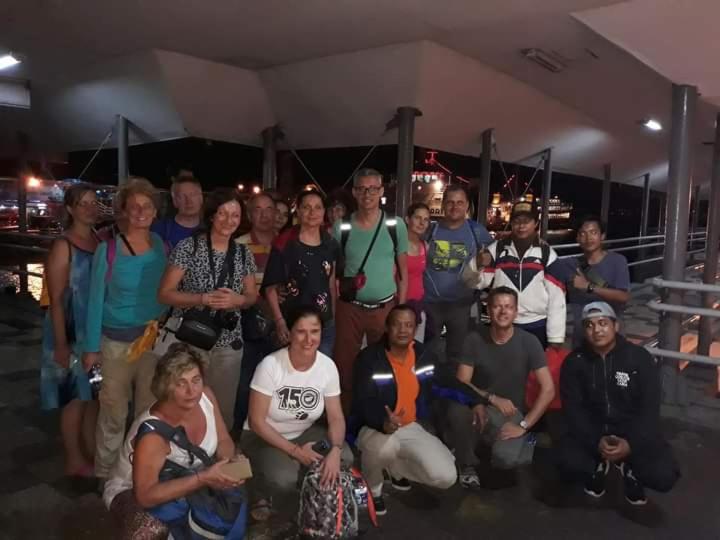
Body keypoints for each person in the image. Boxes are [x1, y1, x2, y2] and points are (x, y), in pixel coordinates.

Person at [351, 304, 486, 515]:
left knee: (445, 476)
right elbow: (362, 401)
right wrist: (382, 422)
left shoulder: (423, 355)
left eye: (409, 325)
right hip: (374, 426)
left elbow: (447, 381)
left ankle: (394, 469)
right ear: (387, 327)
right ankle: (373, 489)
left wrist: (475, 400)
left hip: (410, 426)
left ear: (415, 330)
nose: (403, 330)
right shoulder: (369, 359)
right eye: (397, 325)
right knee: (382, 449)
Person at [103, 343, 242, 540]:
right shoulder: (153, 434)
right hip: (132, 489)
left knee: (233, 497)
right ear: (165, 387)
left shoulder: (206, 397)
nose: (191, 391)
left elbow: (224, 440)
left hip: (190, 476)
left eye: (196, 380)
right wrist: (204, 479)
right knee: (149, 531)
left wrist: (228, 467)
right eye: (180, 383)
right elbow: (145, 495)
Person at [83, 177, 168, 480]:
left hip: (152, 343)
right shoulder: (107, 250)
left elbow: (165, 290)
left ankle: (137, 472)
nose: (141, 212)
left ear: (155, 211)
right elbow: (94, 301)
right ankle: (106, 476)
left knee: (148, 411)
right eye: (134, 207)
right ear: (124, 212)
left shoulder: (161, 245)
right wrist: (91, 349)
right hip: (114, 344)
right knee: (113, 413)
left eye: (147, 206)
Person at [559, 302, 679, 505]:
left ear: (616, 326)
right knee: (565, 462)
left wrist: (631, 444)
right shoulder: (574, 362)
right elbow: (573, 411)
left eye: (603, 323)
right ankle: (599, 465)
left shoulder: (639, 358)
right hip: (594, 432)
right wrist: (595, 441)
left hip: (631, 432)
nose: (597, 330)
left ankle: (630, 468)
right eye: (589, 325)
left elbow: (649, 409)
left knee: (663, 475)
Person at [157, 188, 258, 428]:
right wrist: (202, 299)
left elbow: (252, 296)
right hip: (191, 340)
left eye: (234, 215)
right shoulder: (189, 247)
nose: (228, 220)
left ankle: (218, 457)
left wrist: (238, 301)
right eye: (222, 214)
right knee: (184, 403)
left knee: (221, 409)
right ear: (212, 215)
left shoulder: (243, 253)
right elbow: (164, 294)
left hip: (228, 344)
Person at [445, 286, 555, 489]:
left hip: (512, 413)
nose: (503, 312)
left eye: (508, 307)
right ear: (488, 309)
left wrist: (523, 425)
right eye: (497, 306)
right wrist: (489, 399)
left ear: (516, 311)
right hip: (481, 406)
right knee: (457, 411)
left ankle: (527, 439)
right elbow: (462, 382)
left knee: (506, 459)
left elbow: (548, 389)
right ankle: (467, 464)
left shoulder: (529, 341)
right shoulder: (474, 339)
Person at [244, 306, 351, 509]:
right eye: (301, 331)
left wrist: (335, 449)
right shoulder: (270, 365)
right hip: (263, 436)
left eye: (315, 331)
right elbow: (256, 422)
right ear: (289, 333)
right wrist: (295, 452)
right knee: (283, 478)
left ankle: (314, 498)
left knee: (345, 456)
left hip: (304, 431)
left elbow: (336, 417)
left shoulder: (327, 366)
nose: (308, 339)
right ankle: (259, 485)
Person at [333, 168, 408, 411]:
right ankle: (345, 417)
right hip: (349, 308)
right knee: (344, 365)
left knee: (384, 364)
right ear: (354, 192)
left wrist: (401, 310)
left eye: (373, 188)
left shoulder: (395, 225)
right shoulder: (341, 227)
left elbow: (403, 274)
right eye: (362, 189)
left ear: (382, 191)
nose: (367, 194)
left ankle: (381, 412)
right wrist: (334, 308)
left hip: (384, 308)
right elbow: (332, 274)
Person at [41, 183, 99, 477]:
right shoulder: (64, 245)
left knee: (92, 397)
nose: (90, 208)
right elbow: (56, 298)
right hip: (71, 328)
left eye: (94, 202)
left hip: (93, 329)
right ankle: (73, 459)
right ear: (70, 209)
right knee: (74, 397)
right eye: (83, 203)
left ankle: (90, 451)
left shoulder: (99, 240)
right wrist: (62, 344)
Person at [464, 200, 566, 349]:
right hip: (502, 323)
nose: (521, 225)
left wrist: (555, 338)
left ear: (536, 223)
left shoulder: (547, 254)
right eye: (517, 221)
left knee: (533, 370)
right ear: (511, 223)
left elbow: (557, 300)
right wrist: (477, 263)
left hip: (537, 326)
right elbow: (471, 282)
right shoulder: (496, 249)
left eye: (527, 221)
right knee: (502, 369)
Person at [263, 190, 340, 356]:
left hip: (323, 325)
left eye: (318, 208)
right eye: (306, 207)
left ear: (324, 212)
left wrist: (332, 317)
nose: (312, 213)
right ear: (297, 211)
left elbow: (331, 283)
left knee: (319, 375)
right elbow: (270, 288)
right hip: (293, 324)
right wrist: (280, 322)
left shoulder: (330, 244)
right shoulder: (285, 243)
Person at [424, 185, 492, 363]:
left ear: (467, 206)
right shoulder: (430, 230)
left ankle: (454, 389)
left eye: (460, 203)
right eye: (450, 202)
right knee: (428, 353)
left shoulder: (478, 232)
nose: (455, 207)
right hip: (430, 305)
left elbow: (498, 254)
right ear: (443, 205)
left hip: (462, 306)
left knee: (459, 356)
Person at [233, 192, 277, 432]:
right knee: (244, 383)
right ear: (250, 215)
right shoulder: (238, 245)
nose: (264, 215)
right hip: (246, 325)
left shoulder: (285, 243)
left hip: (278, 324)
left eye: (269, 209)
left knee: (275, 383)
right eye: (257, 210)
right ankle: (238, 434)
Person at [564, 216, 630, 347]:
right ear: (577, 238)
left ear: (602, 236)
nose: (588, 238)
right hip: (582, 337)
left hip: (612, 335)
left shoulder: (617, 261)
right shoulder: (571, 264)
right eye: (583, 233)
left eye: (593, 232)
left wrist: (589, 287)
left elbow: (624, 297)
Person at [151, 168, 203, 248]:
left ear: (201, 198)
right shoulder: (159, 229)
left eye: (193, 195)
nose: (188, 201)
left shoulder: (212, 230)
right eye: (182, 196)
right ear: (174, 201)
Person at [405, 202, 431, 342]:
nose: (422, 223)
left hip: (419, 307)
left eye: (426, 219)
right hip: (400, 306)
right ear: (408, 219)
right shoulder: (398, 245)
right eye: (417, 218)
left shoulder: (424, 246)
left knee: (416, 350)